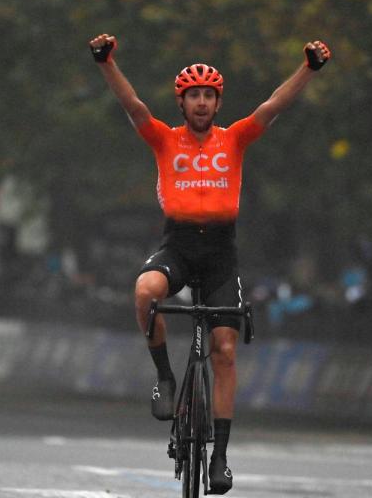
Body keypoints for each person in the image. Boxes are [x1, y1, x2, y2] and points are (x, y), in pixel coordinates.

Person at [89, 32, 331, 494]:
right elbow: (134, 105)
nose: (201, 103)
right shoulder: (164, 139)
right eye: (193, 96)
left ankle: (219, 456)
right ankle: (164, 375)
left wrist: (309, 69)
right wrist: (106, 63)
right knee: (144, 292)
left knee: (223, 349)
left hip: (221, 255)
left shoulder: (235, 139)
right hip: (177, 248)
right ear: (181, 103)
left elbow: (273, 106)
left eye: (208, 96)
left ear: (217, 103)